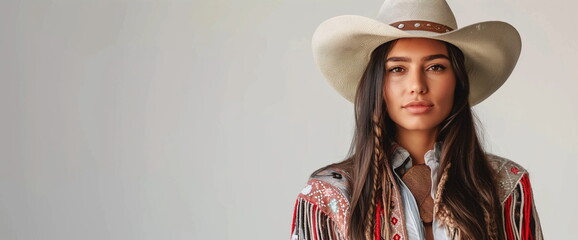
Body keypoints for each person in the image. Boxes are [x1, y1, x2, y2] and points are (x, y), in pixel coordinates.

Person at [290, 0, 543, 239]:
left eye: (436, 67)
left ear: (458, 80)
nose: (417, 86)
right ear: (377, 83)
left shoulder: (505, 185)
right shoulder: (328, 196)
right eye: (397, 69)